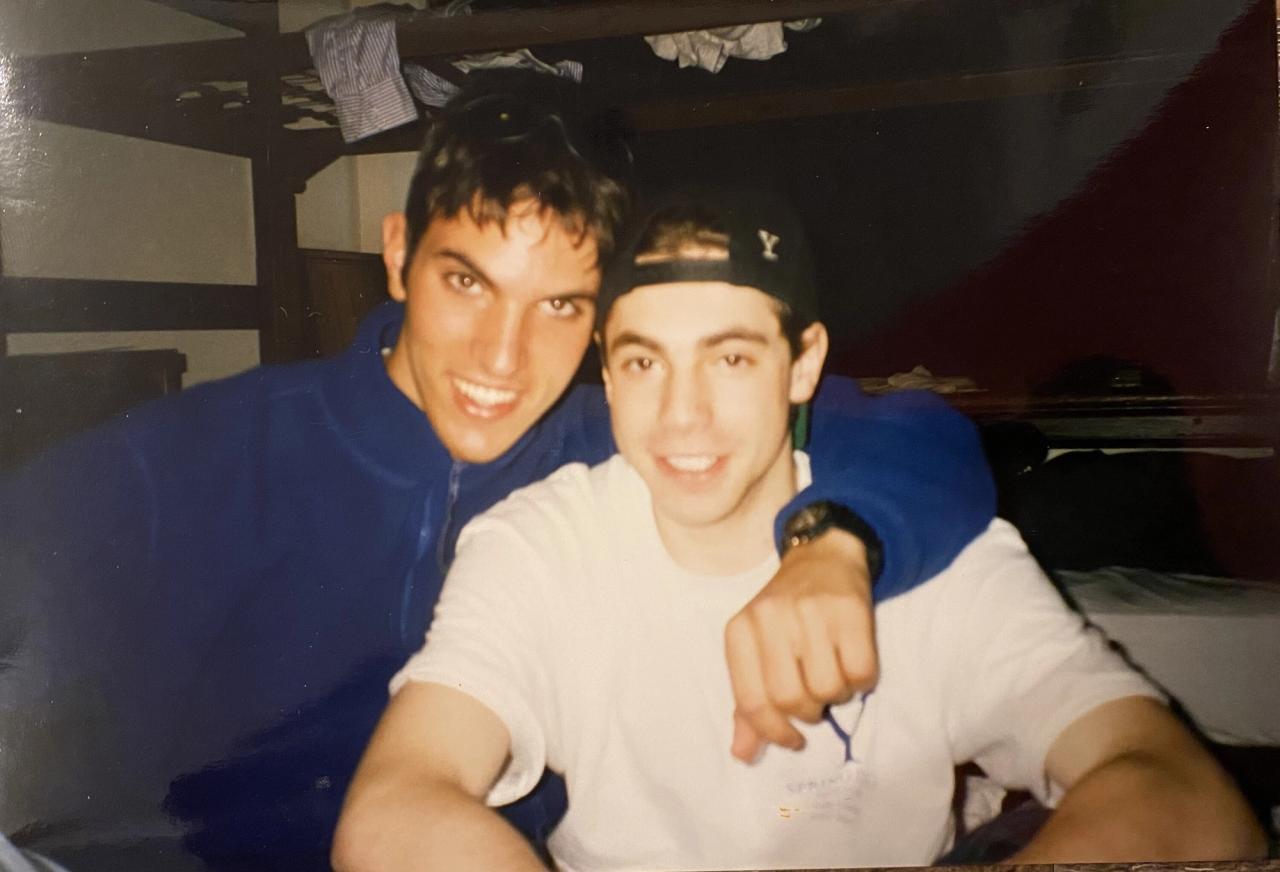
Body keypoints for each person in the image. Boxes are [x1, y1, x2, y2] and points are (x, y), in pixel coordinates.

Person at [0, 74, 992, 869]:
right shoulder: (198, 455)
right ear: (397, 256)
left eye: (561, 305)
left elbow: (906, 427)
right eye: (466, 281)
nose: (499, 359)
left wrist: (835, 542)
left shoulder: (621, 443)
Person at [332, 186, 1266, 872]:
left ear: (802, 363)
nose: (682, 417)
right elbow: (393, 806)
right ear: (606, 376)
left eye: (731, 358)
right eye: (645, 363)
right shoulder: (541, 546)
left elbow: (1182, 795)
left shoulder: (926, 553)